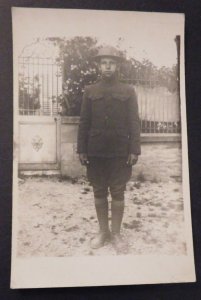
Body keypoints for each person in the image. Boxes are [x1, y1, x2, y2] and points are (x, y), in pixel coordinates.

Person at [77, 46, 141, 252]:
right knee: (98, 190)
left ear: (118, 66)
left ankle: (116, 235)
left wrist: (134, 149)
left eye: (111, 63)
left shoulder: (128, 91)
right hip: (95, 151)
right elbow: (84, 122)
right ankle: (103, 232)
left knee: (118, 191)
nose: (107, 66)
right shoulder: (90, 91)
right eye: (104, 62)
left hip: (120, 151)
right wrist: (81, 149)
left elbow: (134, 122)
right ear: (98, 65)